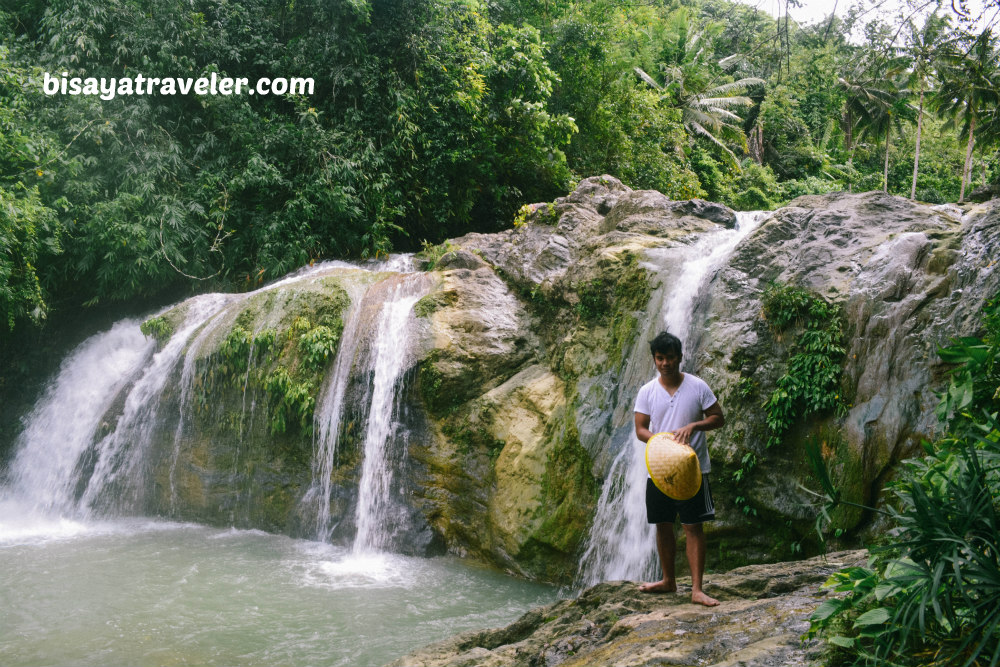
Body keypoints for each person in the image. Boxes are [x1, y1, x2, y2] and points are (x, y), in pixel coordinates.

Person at [634, 331, 725, 607]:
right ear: (654, 360)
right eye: (660, 358)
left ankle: (697, 589)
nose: (665, 363)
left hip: (692, 470)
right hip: (659, 470)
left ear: (679, 357)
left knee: (692, 526)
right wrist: (662, 442)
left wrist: (694, 426)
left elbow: (718, 418)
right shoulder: (647, 391)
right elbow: (640, 429)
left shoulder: (698, 387)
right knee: (663, 526)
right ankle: (668, 581)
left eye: (670, 357)